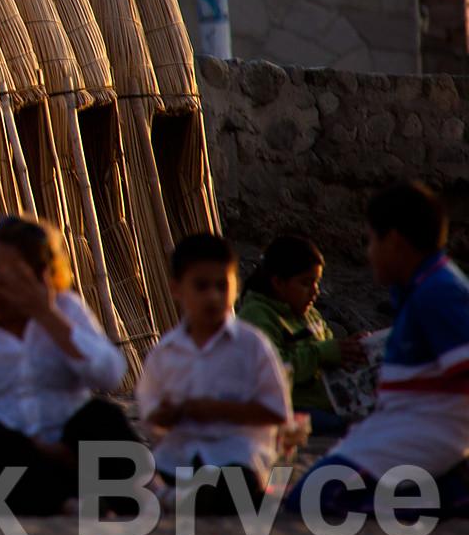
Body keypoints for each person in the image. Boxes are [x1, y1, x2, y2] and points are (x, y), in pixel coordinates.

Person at [0, 214, 135, 516]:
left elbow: (110, 375)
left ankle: (144, 494)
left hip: (68, 448)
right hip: (7, 451)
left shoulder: (66, 310)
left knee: (102, 415)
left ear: (43, 278)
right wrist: (35, 446)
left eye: (11, 277)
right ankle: (65, 504)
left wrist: (48, 317)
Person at [286, 181, 469, 516]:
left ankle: (446, 496)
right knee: (309, 492)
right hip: (401, 424)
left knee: (317, 496)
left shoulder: (439, 293)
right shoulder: (421, 289)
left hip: (425, 431)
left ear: (396, 243)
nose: (368, 253)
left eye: (371, 241)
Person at [136, 233, 291, 516]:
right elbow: (150, 417)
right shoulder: (166, 351)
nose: (213, 296)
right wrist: (171, 414)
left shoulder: (252, 345)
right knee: (128, 471)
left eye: (222, 286)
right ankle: (182, 497)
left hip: (235, 456)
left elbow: (278, 411)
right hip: (179, 457)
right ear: (176, 290)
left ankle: (181, 500)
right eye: (201, 286)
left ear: (236, 288)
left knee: (235, 483)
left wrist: (218, 410)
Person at [236, 234, 364, 434]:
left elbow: (329, 348)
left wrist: (349, 349)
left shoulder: (309, 313)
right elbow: (273, 372)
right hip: (289, 410)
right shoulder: (257, 316)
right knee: (351, 430)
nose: (315, 292)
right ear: (278, 282)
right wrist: (321, 354)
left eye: (316, 283)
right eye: (306, 283)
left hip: (329, 401)